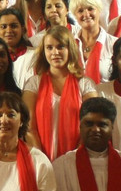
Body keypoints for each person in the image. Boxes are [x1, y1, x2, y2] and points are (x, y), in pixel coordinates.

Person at [23, 25, 97, 161]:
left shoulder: (85, 84)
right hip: (40, 159)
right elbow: (29, 128)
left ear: (70, 49)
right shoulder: (34, 84)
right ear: (43, 51)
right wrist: (42, 161)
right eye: (49, 47)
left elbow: (91, 126)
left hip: (77, 159)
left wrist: (71, 161)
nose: (55, 52)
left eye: (60, 47)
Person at [71, 0, 115, 84]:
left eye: (90, 9)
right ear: (75, 15)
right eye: (80, 11)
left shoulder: (114, 44)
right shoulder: (69, 45)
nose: (86, 14)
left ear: (99, 10)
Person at [0, 7, 36, 88]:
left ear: (23, 30)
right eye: (3, 27)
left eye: (13, 26)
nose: (9, 30)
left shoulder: (35, 55)